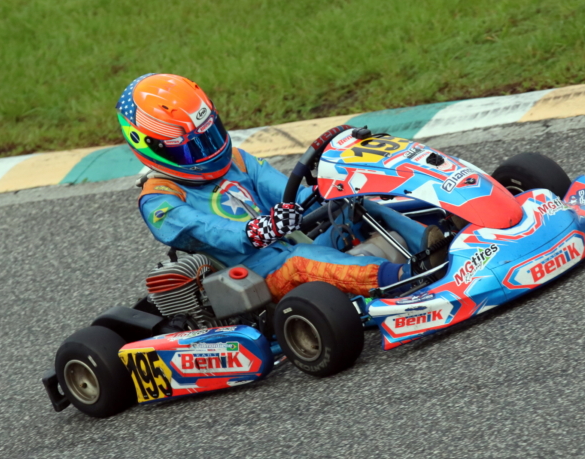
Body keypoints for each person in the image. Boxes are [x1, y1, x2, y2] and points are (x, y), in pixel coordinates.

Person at [116, 73, 435, 301]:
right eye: (189, 147)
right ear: (148, 145)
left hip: (291, 242)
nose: (205, 151)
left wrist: (331, 191)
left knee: (347, 205)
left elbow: (290, 195)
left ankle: (431, 244)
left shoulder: (237, 161)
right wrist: (256, 231)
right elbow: (207, 229)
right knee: (300, 262)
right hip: (256, 274)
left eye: (209, 136)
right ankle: (400, 279)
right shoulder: (159, 200)